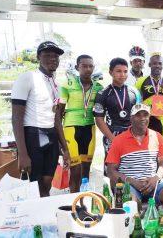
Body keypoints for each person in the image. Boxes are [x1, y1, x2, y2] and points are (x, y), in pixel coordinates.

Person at [106, 103, 163, 238]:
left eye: (146, 115)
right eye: (138, 115)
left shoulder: (157, 136)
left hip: (153, 183)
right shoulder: (119, 140)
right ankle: (135, 234)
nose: (143, 118)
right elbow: (111, 171)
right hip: (130, 185)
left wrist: (155, 178)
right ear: (131, 118)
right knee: (131, 203)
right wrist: (133, 182)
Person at [11, 41, 70, 197]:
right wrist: (22, 153)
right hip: (33, 134)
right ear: (38, 57)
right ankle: (36, 217)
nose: (53, 58)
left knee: (47, 182)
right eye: (48, 55)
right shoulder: (28, 78)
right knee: (34, 185)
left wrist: (65, 149)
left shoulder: (54, 83)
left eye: (56, 56)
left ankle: (45, 214)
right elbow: (16, 117)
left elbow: (56, 118)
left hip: (50, 135)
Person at [59, 54, 103, 193]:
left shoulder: (99, 87)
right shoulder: (67, 84)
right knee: (75, 170)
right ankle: (74, 203)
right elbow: (59, 113)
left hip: (90, 129)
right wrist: (59, 139)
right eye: (84, 66)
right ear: (77, 67)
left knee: (86, 171)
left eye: (90, 66)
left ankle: (83, 203)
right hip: (71, 129)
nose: (88, 69)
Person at [93, 57, 141, 175]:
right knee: (113, 171)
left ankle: (131, 193)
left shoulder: (134, 92)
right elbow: (99, 120)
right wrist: (113, 139)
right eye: (118, 71)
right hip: (112, 135)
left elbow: (140, 115)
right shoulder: (103, 93)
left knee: (132, 167)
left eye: (125, 71)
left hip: (131, 134)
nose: (122, 75)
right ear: (111, 72)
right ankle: (114, 194)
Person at [135, 53, 163, 136]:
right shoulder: (140, 81)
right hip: (145, 120)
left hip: (162, 121)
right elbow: (134, 100)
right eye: (154, 63)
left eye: (160, 63)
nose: (157, 66)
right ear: (149, 65)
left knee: (160, 146)